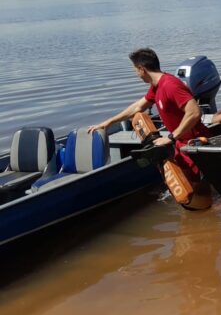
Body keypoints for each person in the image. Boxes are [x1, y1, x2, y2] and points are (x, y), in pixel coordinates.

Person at [87, 48, 211, 209]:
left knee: (199, 186)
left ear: (142, 69)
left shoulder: (170, 85)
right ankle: (200, 213)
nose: (136, 75)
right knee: (188, 187)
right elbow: (137, 107)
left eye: (135, 71)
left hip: (195, 143)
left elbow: (194, 112)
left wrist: (171, 137)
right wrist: (108, 122)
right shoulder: (156, 86)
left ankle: (207, 214)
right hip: (181, 142)